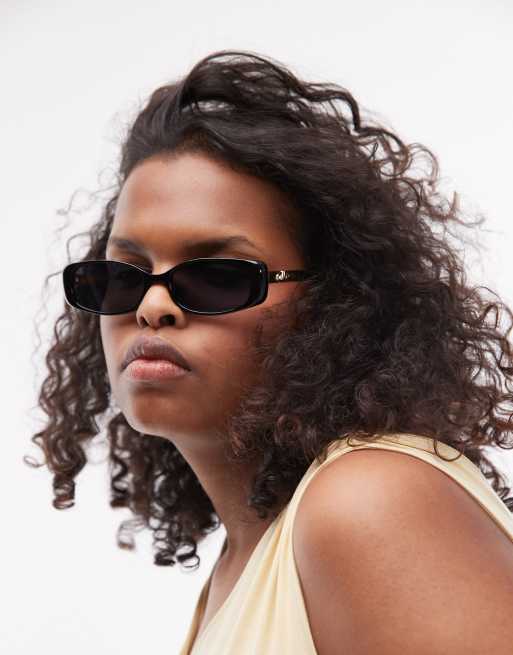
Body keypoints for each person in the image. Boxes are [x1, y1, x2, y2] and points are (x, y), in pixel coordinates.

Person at [28, 49, 513, 654]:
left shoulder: (367, 502)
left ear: (334, 303)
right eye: (125, 274)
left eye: (219, 275)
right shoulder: (245, 560)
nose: (151, 306)